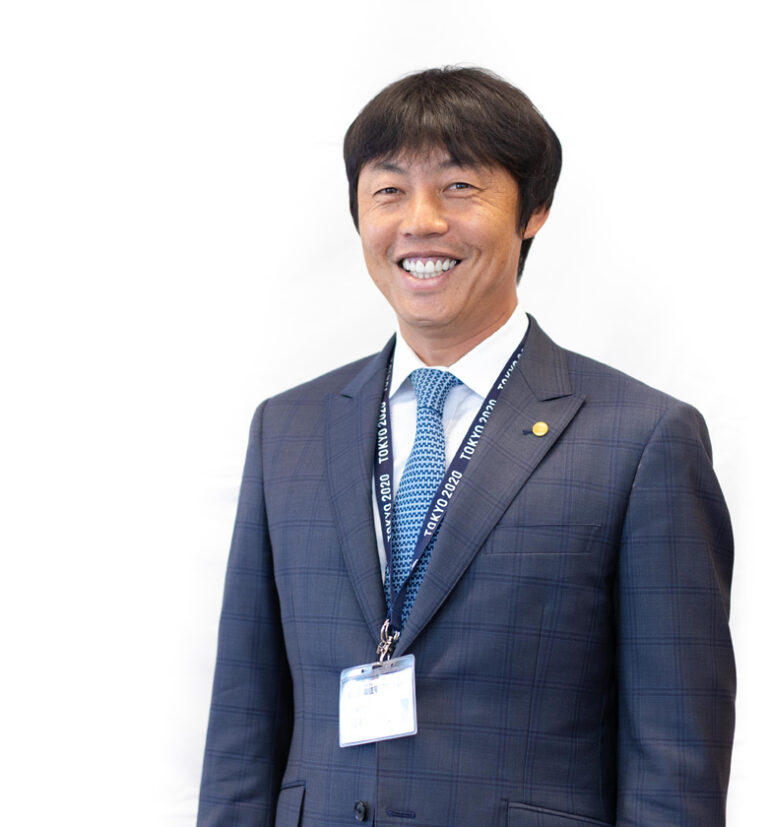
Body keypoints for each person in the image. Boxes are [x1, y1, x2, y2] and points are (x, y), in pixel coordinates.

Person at [196, 67, 735, 827]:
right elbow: (242, 726)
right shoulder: (287, 428)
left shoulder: (643, 438)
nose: (420, 221)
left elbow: (674, 762)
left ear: (533, 210)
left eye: (458, 187)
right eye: (389, 190)